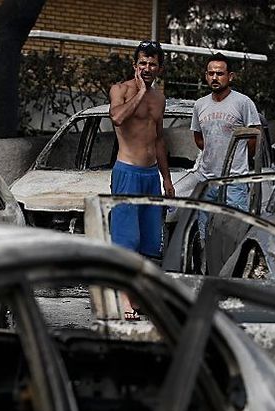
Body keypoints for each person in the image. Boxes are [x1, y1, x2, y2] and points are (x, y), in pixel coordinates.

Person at [108, 41, 175, 318]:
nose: (147, 68)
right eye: (143, 63)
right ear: (135, 65)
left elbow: (159, 139)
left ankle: (135, 296)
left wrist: (167, 180)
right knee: (127, 240)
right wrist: (140, 94)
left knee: (149, 242)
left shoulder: (160, 98)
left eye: (153, 64)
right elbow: (117, 118)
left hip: (150, 176)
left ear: (159, 67)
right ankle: (123, 298)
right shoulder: (120, 90)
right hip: (127, 173)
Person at [189, 52, 262, 239]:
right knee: (205, 234)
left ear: (230, 76)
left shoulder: (243, 103)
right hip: (207, 181)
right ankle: (206, 268)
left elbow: (255, 136)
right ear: (206, 76)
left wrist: (240, 158)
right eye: (211, 73)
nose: (215, 77)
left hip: (234, 182)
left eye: (220, 73)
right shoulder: (200, 105)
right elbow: (199, 138)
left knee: (235, 235)